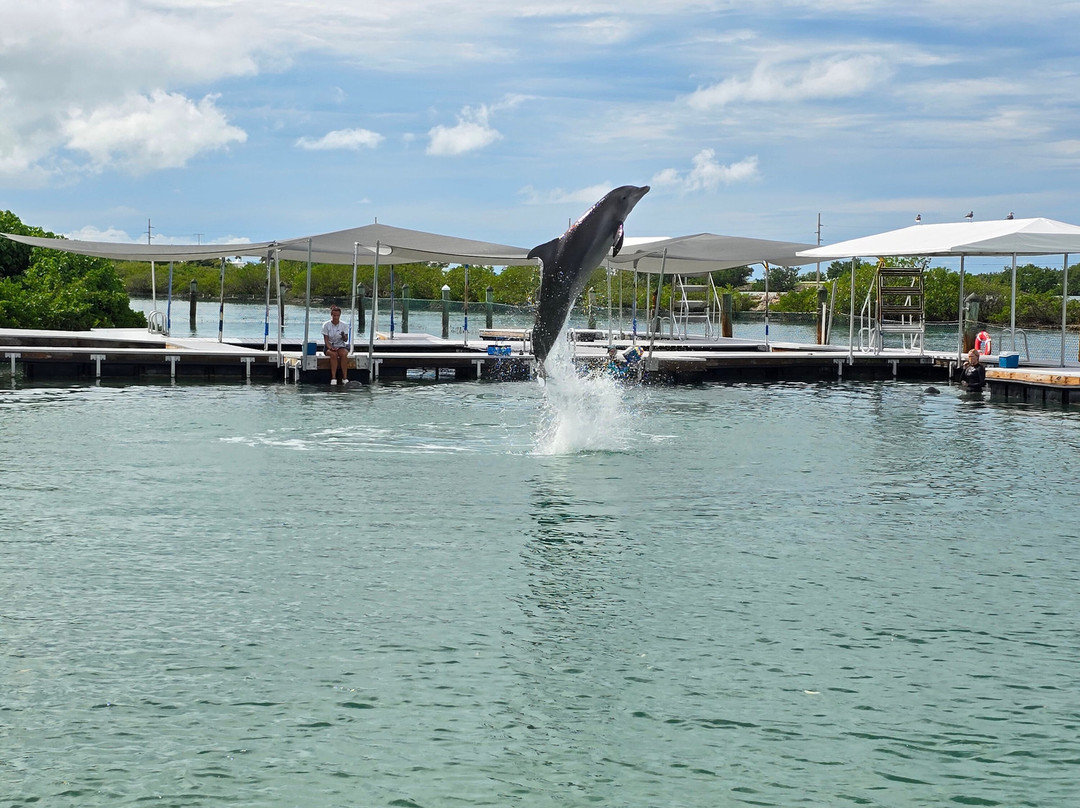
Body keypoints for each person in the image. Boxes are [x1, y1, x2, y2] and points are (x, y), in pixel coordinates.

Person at [322, 305, 350, 385]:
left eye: (338, 316)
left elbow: (346, 340)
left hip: (340, 345)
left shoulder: (344, 325)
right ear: (331, 315)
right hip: (329, 346)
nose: (336, 317)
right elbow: (326, 340)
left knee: (344, 353)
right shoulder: (326, 325)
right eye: (334, 315)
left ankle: (345, 378)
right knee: (333, 354)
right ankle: (333, 378)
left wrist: (343, 336)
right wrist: (331, 348)